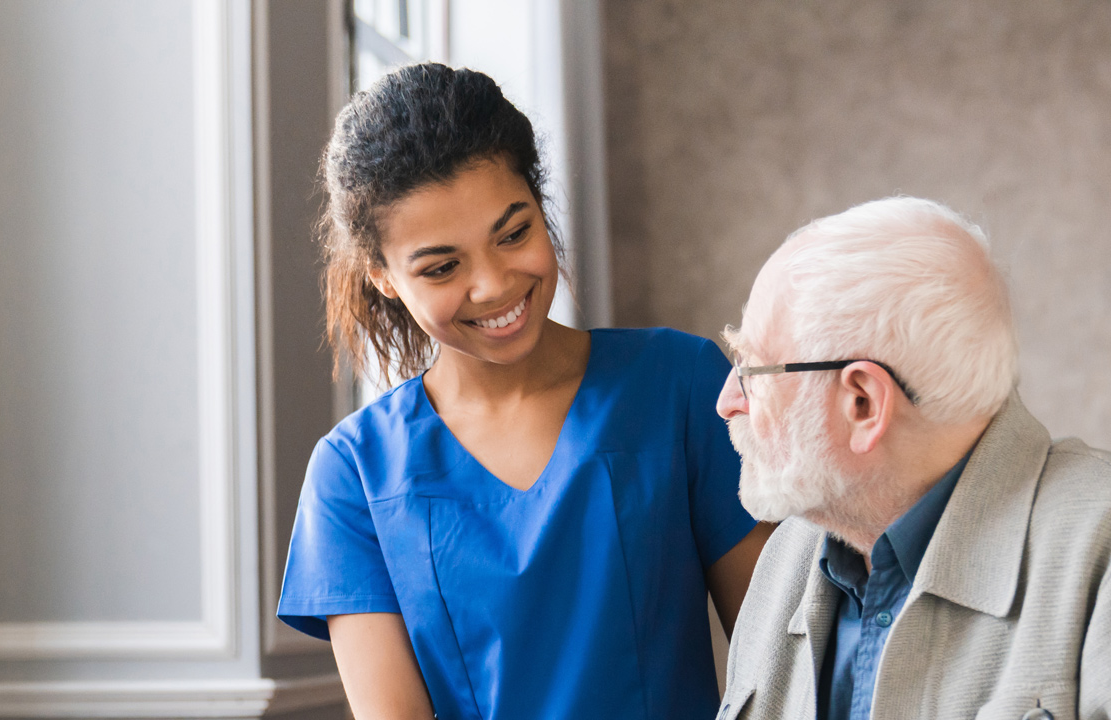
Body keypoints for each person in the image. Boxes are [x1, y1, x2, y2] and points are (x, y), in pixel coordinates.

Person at [275, 63, 771, 720]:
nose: (495, 285)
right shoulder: (353, 474)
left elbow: (778, 667)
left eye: (514, 233)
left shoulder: (682, 385)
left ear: (541, 206)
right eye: (443, 266)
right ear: (384, 277)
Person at [714, 197, 1111, 720]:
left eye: (752, 369)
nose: (727, 401)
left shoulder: (1098, 557)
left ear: (864, 404)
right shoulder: (789, 555)